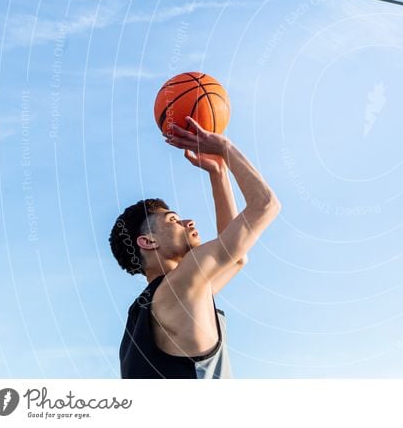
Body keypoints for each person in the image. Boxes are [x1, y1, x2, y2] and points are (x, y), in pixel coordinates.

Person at [109, 116, 280, 378]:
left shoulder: (154, 305)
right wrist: (225, 147)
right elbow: (265, 205)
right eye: (174, 220)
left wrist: (218, 173)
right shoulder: (180, 286)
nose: (188, 221)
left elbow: (236, 259)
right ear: (148, 241)